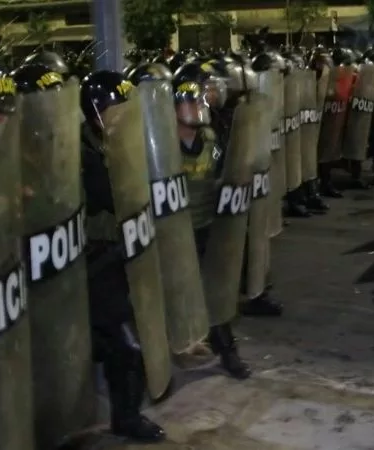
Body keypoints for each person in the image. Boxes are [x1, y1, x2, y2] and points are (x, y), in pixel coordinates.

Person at [79, 70, 166, 441]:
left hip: (123, 257)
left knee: (121, 340)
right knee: (124, 343)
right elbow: (113, 195)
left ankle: (124, 412)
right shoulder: (83, 155)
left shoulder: (123, 144)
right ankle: (124, 416)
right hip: (94, 264)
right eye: (120, 109)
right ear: (99, 113)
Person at [172, 62, 253, 379]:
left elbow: (221, 176)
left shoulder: (209, 137)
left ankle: (227, 351)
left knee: (215, 292)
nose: (198, 107)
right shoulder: (160, 144)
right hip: (173, 233)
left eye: (199, 101)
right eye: (190, 101)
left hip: (205, 226)